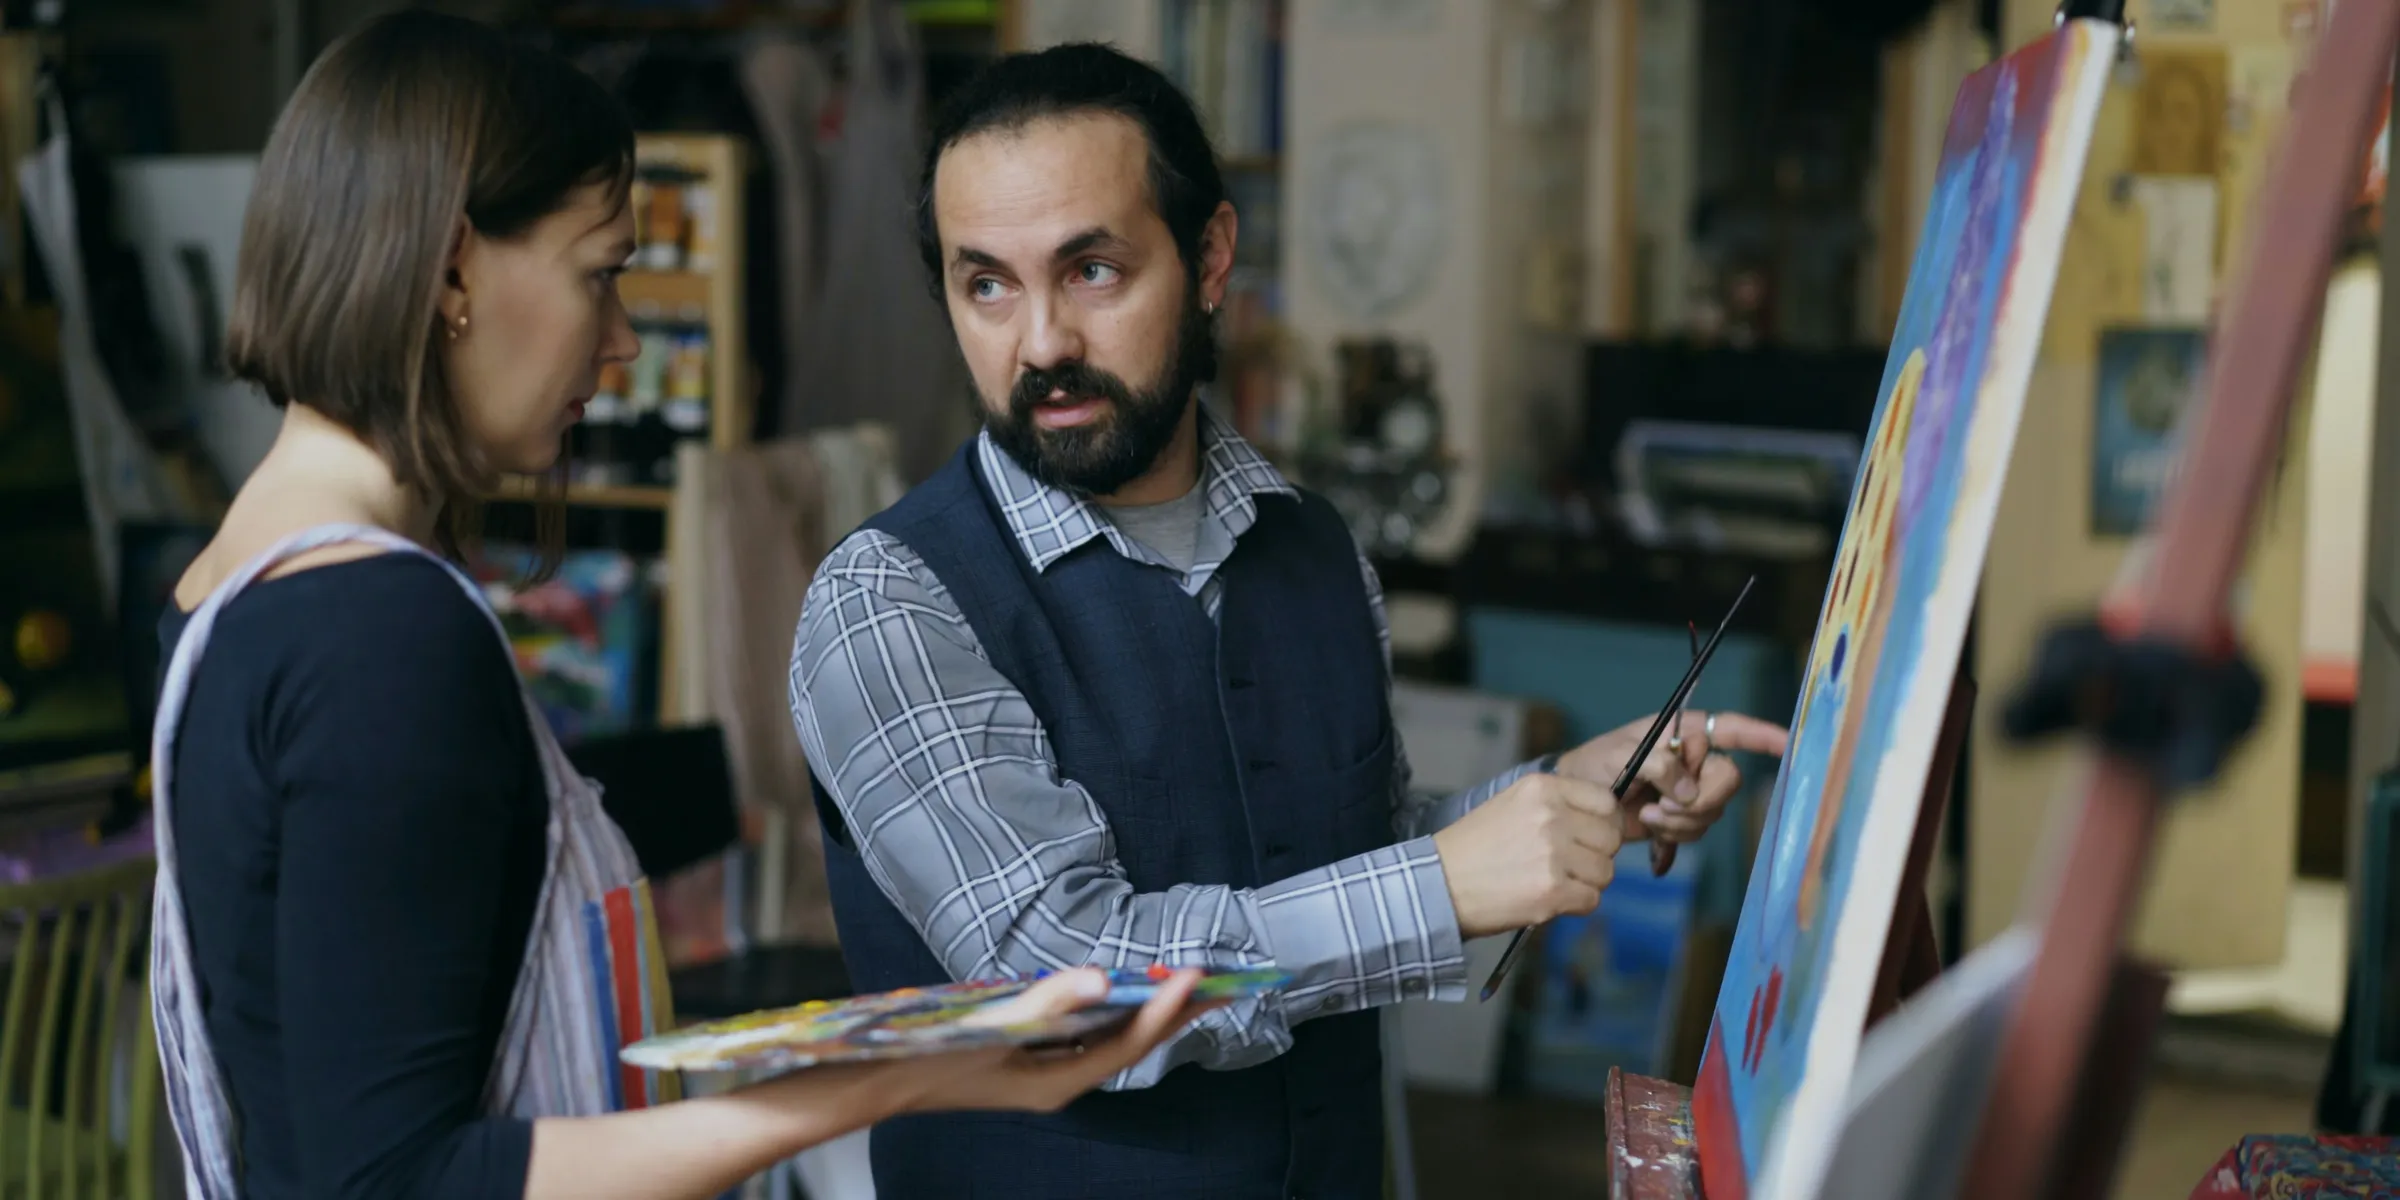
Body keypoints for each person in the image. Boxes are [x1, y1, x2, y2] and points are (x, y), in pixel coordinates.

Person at [148, 14, 1219, 1200]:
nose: (619, 340)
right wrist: (895, 1077)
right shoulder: (379, 635)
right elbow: (404, 1179)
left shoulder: (227, 588)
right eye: (600, 273)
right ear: (453, 267)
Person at [788, 42, 1793, 1200]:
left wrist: (1568, 795)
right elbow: (1060, 983)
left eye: (1094, 271)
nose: (1043, 342)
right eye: (987, 285)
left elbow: (1342, 856)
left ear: (1210, 257)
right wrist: (1448, 884)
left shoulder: (1311, 547)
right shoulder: (888, 600)